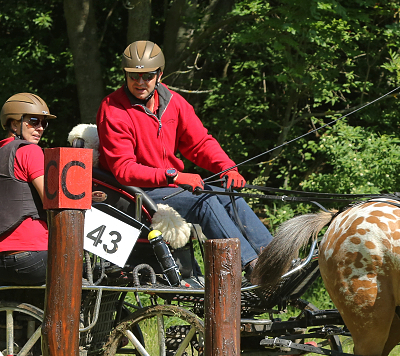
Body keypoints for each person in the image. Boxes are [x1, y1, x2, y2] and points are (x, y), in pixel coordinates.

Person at [96, 40, 272, 279]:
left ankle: (274, 258)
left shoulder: (174, 102)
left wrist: (227, 168)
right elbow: (124, 170)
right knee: (204, 202)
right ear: (125, 75)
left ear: (159, 74)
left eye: (147, 76)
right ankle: (254, 268)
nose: (140, 82)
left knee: (228, 195)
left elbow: (200, 143)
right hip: (133, 194)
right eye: (133, 76)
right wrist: (174, 176)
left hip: (166, 186)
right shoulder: (113, 109)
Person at [0, 93, 55, 285]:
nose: (40, 128)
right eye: (34, 121)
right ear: (14, 125)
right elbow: (53, 201)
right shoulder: (30, 151)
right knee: (94, 268)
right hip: (31, 255)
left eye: (44, 123)